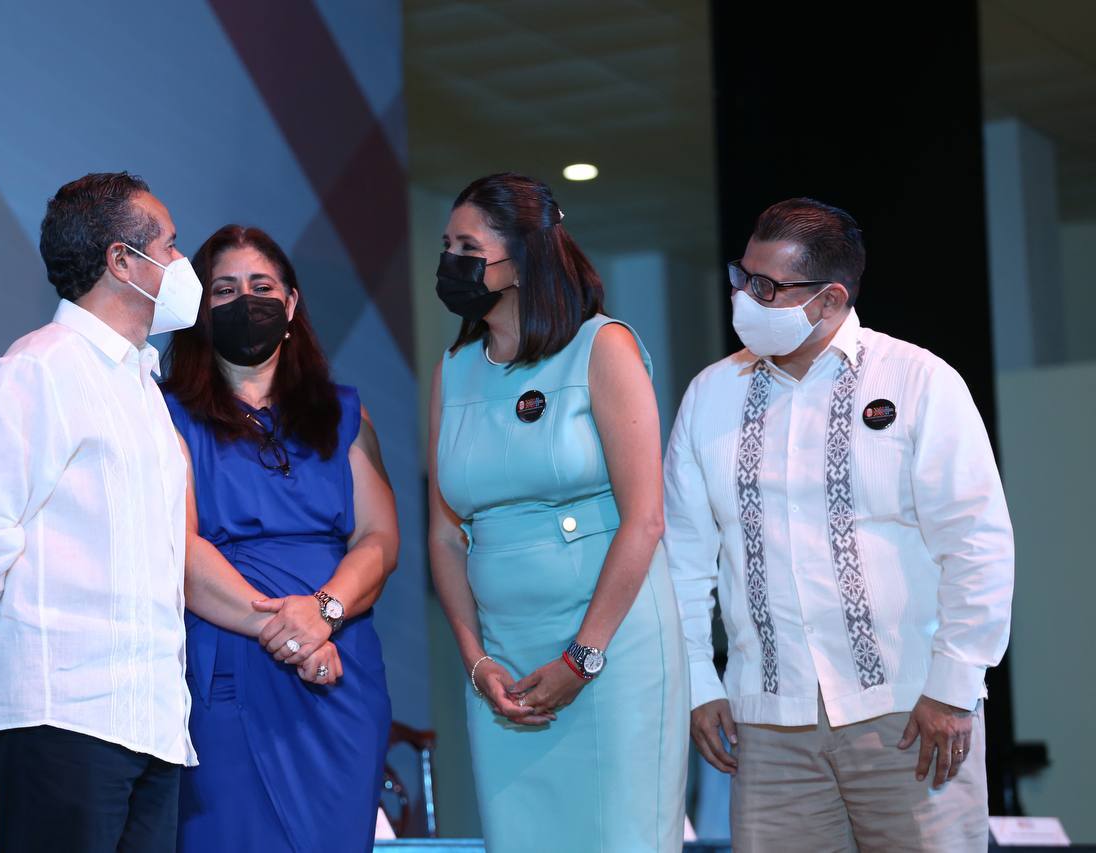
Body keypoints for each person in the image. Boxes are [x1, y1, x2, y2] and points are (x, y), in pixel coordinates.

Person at [664, 198, 1014, 852]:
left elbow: (977, 545)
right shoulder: (711, 395)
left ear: (829, 299)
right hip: (767, 726)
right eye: (742, 276)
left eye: (767, 288)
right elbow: (681, 559)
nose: (744, 297)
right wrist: (697, 683)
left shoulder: (918, 381)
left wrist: (953, 688)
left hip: (910, 713)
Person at [0, 172, 203, 853]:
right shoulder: (37, 371)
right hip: (61, 713)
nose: (179, 265)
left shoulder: (144, 386)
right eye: (169, 246)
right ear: (121, 261)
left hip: (153, 720)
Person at [427, 172, 689, 851]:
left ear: (524, 255)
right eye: (446, 245)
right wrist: (476, 660)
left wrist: (583, 657)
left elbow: (646, 519)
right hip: (505, 667)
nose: (450, 261)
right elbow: (445, 534)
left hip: (611, 651)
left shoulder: (604, 346)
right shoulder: (453, 368)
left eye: (467, 245)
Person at [160, 224, 398, 853]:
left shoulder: (345, 411)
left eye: (262, 287)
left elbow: (378, 539)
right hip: (227, 663)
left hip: (340, 667)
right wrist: (290, 633)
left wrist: (321, 614)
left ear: (291, 303)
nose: (247, 301)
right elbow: (180, 553)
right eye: (225, 290)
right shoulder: (163, 413)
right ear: (199, 310)